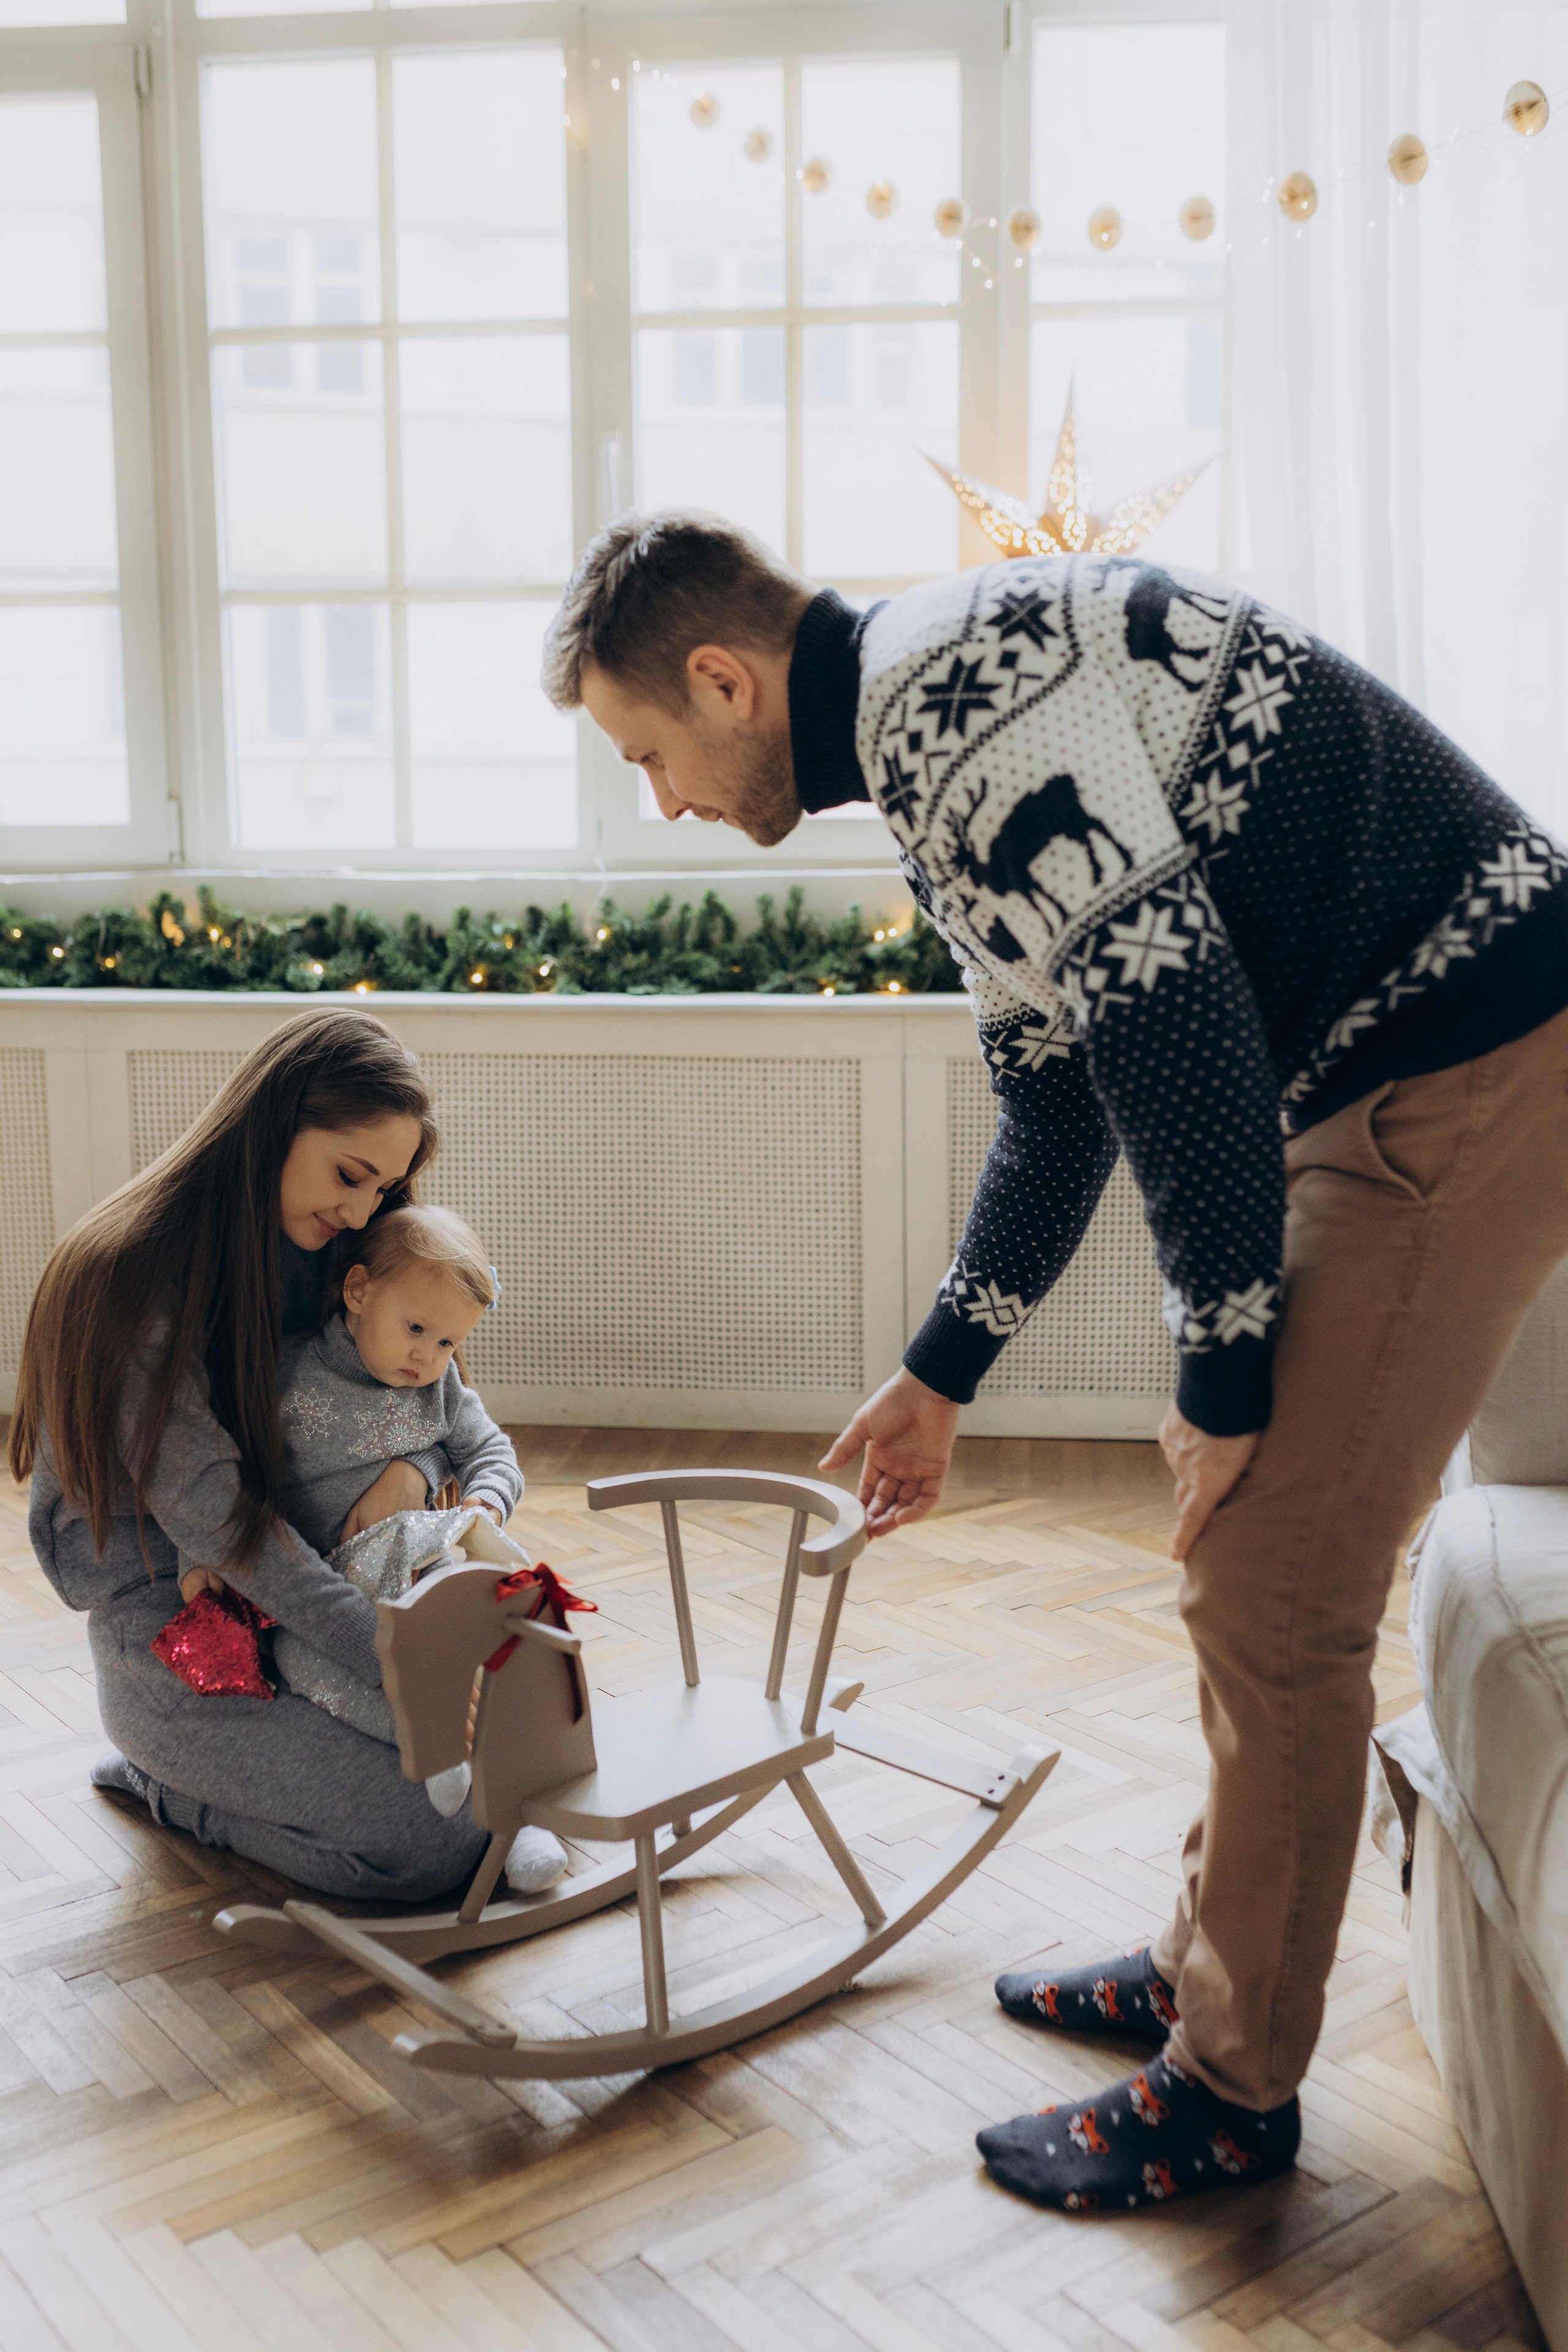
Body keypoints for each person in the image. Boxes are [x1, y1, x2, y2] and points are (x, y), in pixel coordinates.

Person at [541, 511, 1568, 2213]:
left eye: (650, 752)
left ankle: (1231, 2093)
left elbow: (1183, 1050)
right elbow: (1057, 1093)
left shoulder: (957, 710)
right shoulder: (930, 718)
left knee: (1274, 1582)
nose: (662, 800)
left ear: (725, 680)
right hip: (1393, 1062)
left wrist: (1218, 1379)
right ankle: (1203, 1960)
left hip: (1469, 1063)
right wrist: (941, 1374)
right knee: (1257, 1570)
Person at [11, 1007, 499, 1904]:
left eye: (384, 1191)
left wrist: (415, 1472)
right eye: (351, 1176)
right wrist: (393, 1655)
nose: (361, 1211)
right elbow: (229, 1531)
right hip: (181, 1634)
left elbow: (442, 1411)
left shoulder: (340, 1246)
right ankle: (168, 1787)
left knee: (506, 1770)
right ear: (273, 1123)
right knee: (440, 1841)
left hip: (317, 1591)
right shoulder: (130, 1280)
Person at [238, 1199, 568, 1888]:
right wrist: (195, 1561)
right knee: (317, 1669)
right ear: (358, 1291)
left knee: (495, 1636)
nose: (428, 1357)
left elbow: (494, 1454)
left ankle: (525, 1812)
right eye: (416, 1329)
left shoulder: (438, 1388)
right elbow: (227, 1482)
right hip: (324, 1587)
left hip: (425, 1568)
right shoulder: (287, 1377)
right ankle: (451, 1769)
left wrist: (482, 1500)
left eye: (448, 1343)